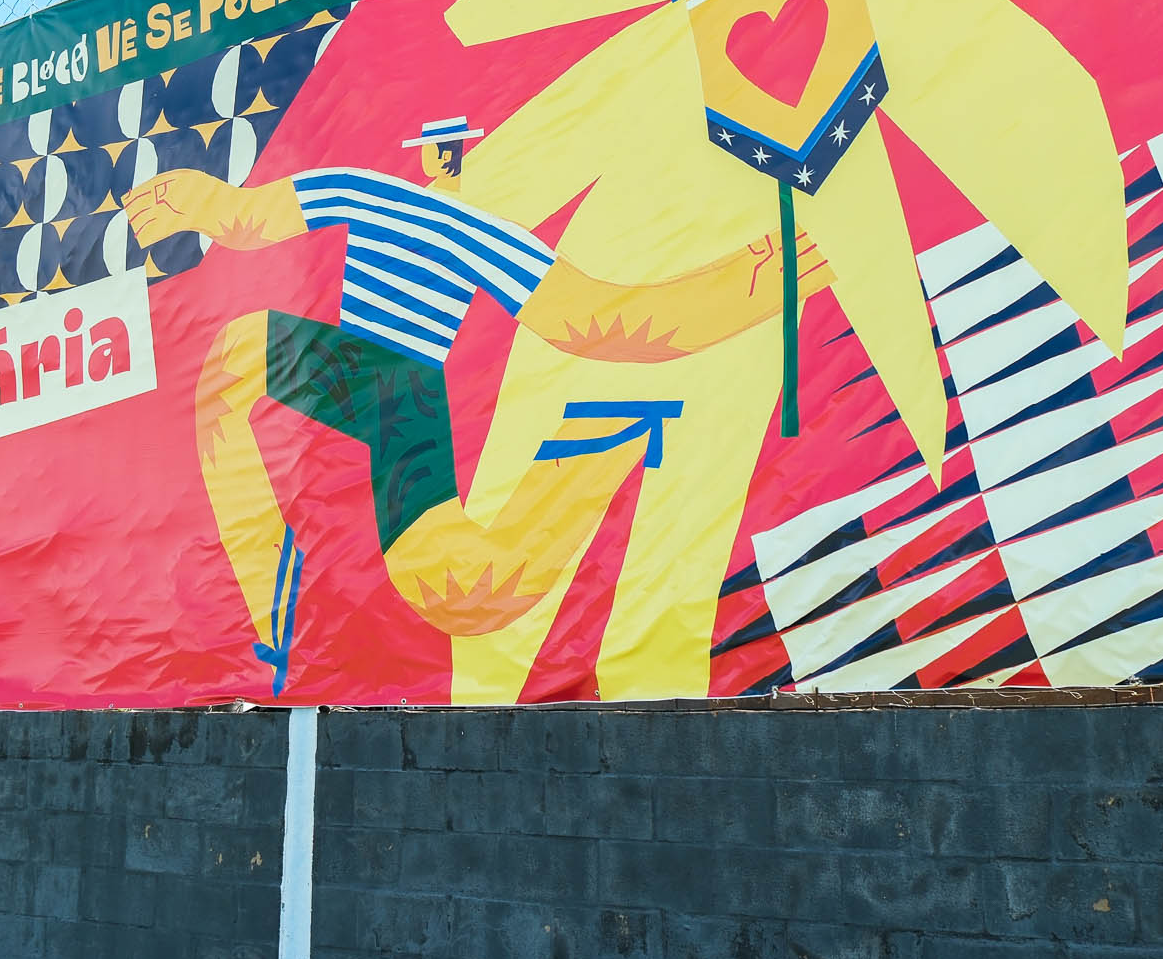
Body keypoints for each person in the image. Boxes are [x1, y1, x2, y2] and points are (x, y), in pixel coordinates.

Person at [122, 116, 830, 691]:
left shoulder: (471, 231)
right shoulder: (376, 193)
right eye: (442, 153)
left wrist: (754, 285)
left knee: (460, 588)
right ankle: (270, 590)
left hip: (400, 390)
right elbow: (251, 218)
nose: (445, 165)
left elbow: (597, 320)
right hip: (360, 367)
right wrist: (199, 201)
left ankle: (600, 444)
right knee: (233, 363)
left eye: (451, 154)